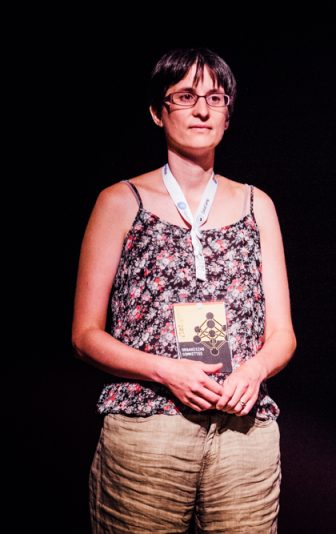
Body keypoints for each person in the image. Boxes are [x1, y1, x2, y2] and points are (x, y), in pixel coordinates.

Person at [72, 48, 295, 533]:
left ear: (228, 114)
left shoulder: (257, 204)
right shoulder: (121, 200)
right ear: (158, 111)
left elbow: (283, 334)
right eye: (186, 96)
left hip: (243, 429)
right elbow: (85, 335)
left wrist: (254, 370)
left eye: (215, 98)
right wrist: (167, 370)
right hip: (149, 426)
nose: (201, 110)